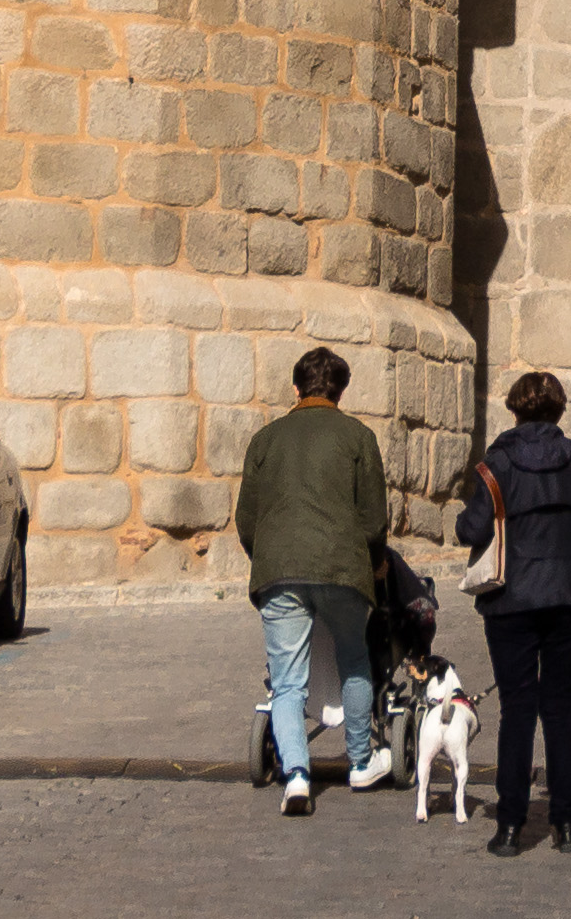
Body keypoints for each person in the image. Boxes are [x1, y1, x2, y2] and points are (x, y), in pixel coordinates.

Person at [235, 346, 392, 815]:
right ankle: (361, 761)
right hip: (343, 567)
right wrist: (375, 562)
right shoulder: (359, 437)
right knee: (355, 659)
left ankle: (298, 775)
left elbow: (247, 519)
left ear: (296, 388)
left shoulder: (264, 440)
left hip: (279, 569)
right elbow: (374, 519)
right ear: (340, 391)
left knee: (286, 683)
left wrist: (266, 557)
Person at [455, 371, 571, 859]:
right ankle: (567, 824)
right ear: (560, 412)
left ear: (515, 410)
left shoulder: (498, 463)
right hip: (569, 598)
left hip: (512, 600)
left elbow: (472, 528)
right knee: (561, 710)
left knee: (518, 711)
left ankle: (511, 827)